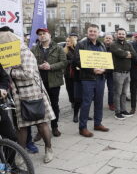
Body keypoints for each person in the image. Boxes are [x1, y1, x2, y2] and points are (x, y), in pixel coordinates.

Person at [0, 27, 55, 163]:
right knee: (22, 126)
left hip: (33, 93)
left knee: (41, 124)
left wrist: (10, 72)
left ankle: (49, 149)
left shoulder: (25, 52)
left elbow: (29, 74)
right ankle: (21, 153)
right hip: (18, 95)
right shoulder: (5, 53)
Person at [73, 24, 109, 137]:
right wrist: (92, 69)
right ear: (87, 33)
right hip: (87, 78)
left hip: (100, 78)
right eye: (90, 31)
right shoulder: (81, 44)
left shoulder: (102, 45)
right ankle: (82, 127)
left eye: (95, 31)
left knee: (99, 101)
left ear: (98, 33)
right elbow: (77, 61)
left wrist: (104, 69)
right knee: (86, 102)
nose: (92, 33)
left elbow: (106, 61)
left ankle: (97, 123)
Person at [31, 28, 67, 137]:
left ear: (49, 35)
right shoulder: (34, 49)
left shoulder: (58, 48)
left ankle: (54, 127)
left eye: (44, 33)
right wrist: (39, 66)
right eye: (40, 34)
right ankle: (41, 130)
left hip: (54, 82)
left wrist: (50, 67)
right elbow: (30, 64)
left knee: (54, 105)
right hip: (39, 83)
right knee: (40, 106)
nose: (42, 36)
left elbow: (64, 62)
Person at [110, 28, 136, 120]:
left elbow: (134, 54)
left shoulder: (128, 44)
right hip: (118, 73)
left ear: (125, 35)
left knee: (124, 93)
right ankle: (117, 112)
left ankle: (123, 110)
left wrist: (127, 54)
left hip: (127, 73)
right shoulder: (113, 44)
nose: (121, 35)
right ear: (116, 35)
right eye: (119, 34)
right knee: (117, 93)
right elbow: (119, 53)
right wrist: (127, 54)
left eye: (123, 34)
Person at [63, 36, 79, 122]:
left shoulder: (77, 49)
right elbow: (64, 62)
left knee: (79, 95)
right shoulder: (64, 51)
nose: (67, 43)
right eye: (66, 41)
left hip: (78, 74)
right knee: (71, 93)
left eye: (69, 41)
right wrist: (73, 61)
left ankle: (81, 113)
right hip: (69, 75)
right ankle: (75, 114)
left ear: (73, 42)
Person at [104, 34, 115, 111]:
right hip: (102, 71)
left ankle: (111, 103)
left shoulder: (114, 48)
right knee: (99, 89)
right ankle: (97, 103)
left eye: (110, 38)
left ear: (112, 40)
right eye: (107, 38)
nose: (108, 39)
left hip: (111, 72)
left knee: (111, 89)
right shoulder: (100, 46)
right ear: (104, 39)